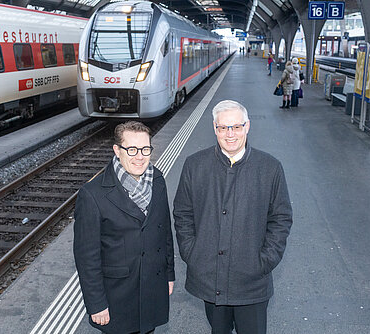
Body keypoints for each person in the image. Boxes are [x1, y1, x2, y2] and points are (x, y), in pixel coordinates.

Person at [173, 100, 293, 334]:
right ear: (215, 129)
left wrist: (265, 261)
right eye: (223, 128)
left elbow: (281, 218)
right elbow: (182, 213)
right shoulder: (194, 165)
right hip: (210, 277)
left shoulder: (270, 168)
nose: (230, 134)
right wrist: (192, 252)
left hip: (252, 283)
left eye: (236, 127)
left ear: (247, 127)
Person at [74, 121, 175, 334]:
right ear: (117, 151)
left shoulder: (157, 180)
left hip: (152, 287)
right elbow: (87, 258)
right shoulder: (92, 195)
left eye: (145, 149)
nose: (140, 156)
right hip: (117, 297)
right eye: (132, 150)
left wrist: (169, 274)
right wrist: (96, 304)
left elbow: (165, 232)